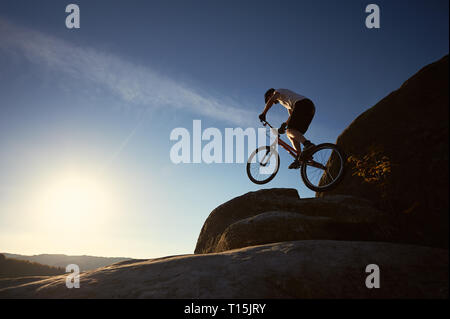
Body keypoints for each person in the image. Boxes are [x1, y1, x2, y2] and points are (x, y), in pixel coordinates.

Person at [259, 88, 316, 169]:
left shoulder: (278, 91)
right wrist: (284, 125)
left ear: (270, 94)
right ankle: (299, 157)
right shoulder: (286, 102)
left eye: (268, 99)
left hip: (303, 104)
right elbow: (292, 115)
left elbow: (271, 100)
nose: (274, 103)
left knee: (290, 131)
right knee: (292, 135)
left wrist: (263, 113)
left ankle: (308, 145)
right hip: (309, 108)